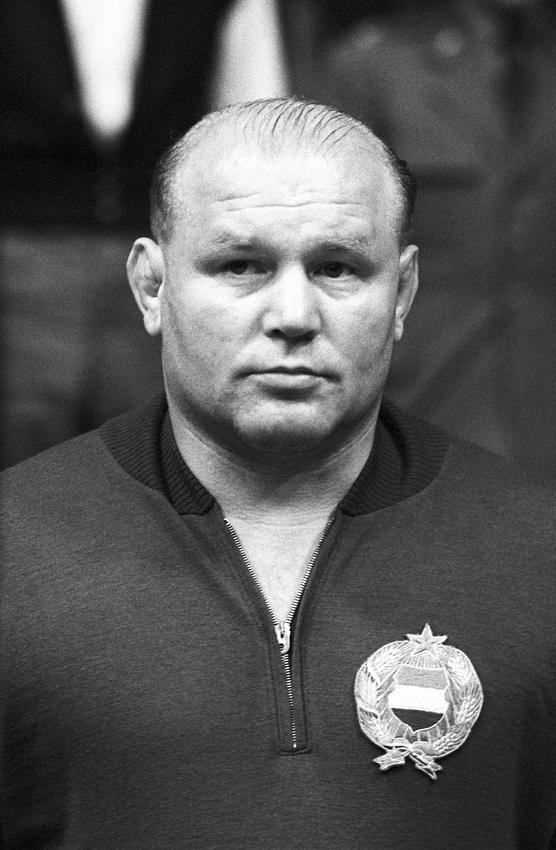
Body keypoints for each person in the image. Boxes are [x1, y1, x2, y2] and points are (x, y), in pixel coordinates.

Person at [1, 99, 555, 849]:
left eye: (337, 268)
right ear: (152, 287)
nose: (293, 314)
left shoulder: (538, 554)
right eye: (241, 265)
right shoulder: (14, 553)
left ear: (402, 294)